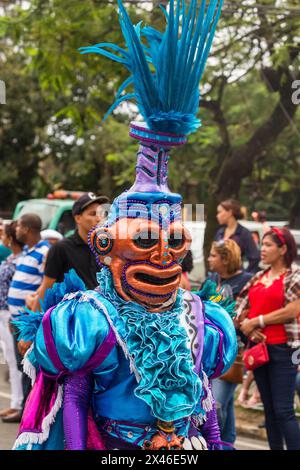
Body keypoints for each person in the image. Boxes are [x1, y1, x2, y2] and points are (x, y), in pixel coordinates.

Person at [12, 0, 237, 451]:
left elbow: (206, 404)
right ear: (104, 246)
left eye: (175, 240)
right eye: (144, 240)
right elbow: (74, 400)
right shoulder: (88, 320)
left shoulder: (201, 318)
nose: (163, 256)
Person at [236, 227, 300, 450]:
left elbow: (292, 311)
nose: (262, 249)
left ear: (283, 249)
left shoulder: (294, 276)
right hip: (259, 351)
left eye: (268, 245)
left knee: (284, 411)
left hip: (286, 350)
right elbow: (239, 310)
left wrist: (257, 321)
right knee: (270, 412)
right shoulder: (257, 278)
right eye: (262, 245)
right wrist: (249, 328)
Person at [26, 193, 109, 311]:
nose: (99, 218)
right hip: (72, 321)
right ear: (78, 218)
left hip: (104, 316)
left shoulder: (107, 247)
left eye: (102, 213)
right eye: (92, 214)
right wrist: (36, 320)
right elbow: (47, 287)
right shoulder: (61, 248)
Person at [205, 239, 252, 446]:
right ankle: (228, 443)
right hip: (211, 349)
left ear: (225, 259)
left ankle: (215, 443)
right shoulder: (213, 278)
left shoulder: (246, 281)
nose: (209, 259)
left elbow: (245, 314)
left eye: (213, 255)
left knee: (215, 406)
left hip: (232, 351)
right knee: (226, 405)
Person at [5, 213, 50, 423]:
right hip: (16, 319)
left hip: (28, 322)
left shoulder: (43, 253)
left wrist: (33, 325)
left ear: (28, 229)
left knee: (29, 369)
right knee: (20, 366)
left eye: (19, 226)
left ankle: (29, 415)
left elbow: (44, 290)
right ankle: (23, 409)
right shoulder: (26, 252)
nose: (16, 230)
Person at [0, 222, 24, 420]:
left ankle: (18, 404)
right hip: (4, 312)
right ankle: (15, 402)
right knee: (9, 358)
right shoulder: (11, 258)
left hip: (10, 313)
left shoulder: (19, 260)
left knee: (16, 362)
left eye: (4, 234)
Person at [215, 199, 260, 273]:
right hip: (219, 276)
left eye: (219, 212)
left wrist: (245, 276)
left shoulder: (244, 233)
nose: (217, 216)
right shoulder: (220, 232)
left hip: (236, 277)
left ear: (229, 212)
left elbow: (254, 258)